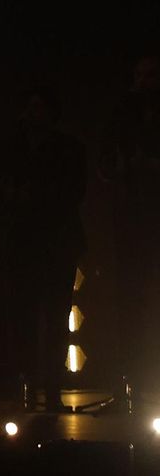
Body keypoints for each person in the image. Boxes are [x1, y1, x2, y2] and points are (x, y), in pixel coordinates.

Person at [0, 85, 86, 411]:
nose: (34, 113)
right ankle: (31, 389)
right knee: (24, 319)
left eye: (39, 106)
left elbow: (73, 191)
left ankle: (52, 390)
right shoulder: (11, 148)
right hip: (23, 243)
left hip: (55, 242)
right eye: (29, 106)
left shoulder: (67, 148)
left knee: (55, 318)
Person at [96, 50, 160, 402]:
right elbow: (106, 164)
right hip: (132, 226)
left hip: (144, 222)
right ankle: (133, 383)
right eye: (140, 76)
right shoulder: (123, 117)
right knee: (132, 304)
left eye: (151, 75)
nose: (144, 83)